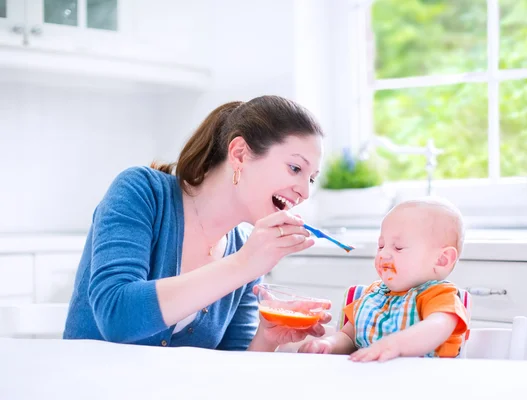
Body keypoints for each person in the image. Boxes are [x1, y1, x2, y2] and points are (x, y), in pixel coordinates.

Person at [63, 95, 331, 351]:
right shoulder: (142, 192)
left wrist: (267, 338)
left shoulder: (246, 250)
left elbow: (230, 372)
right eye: (295, 168)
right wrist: (243, 265)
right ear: (239, 154)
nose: (305, 193)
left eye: (310, 179)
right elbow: (116, 315)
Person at [298, 197, 469, 361]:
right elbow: (348, 337)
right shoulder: (372, 295)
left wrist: (396, 345)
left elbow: (437, 327)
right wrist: (328, 344)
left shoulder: (440, 296)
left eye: (398, 247)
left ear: (441, 260)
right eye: (381, 245)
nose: (383, 253)